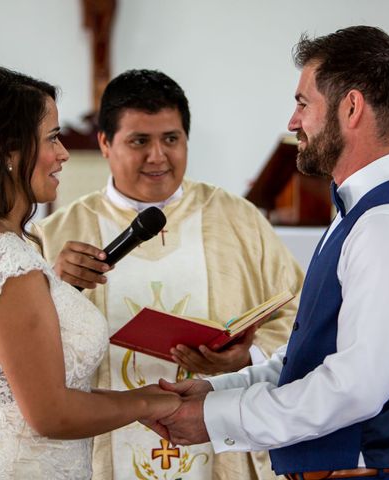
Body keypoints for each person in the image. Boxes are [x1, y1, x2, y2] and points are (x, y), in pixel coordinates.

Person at [154, 25, 389, 480]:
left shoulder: (388, 225)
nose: (293, 123)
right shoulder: (358, 211)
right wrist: (215, 390)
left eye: (302, 103)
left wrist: (217, 419)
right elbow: (306, 358)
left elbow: (356, 388)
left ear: (351, 107)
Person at [0, 65, 180, 480]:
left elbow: (7, 392)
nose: (64, 153)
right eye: (52, 137)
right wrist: (152, 404)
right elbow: (49, 413)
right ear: (9, 152)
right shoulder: (8, 262)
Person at [31, 69, 304, 479]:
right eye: (140, 141)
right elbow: (22, 343)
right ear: (105, 143)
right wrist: (54, 283)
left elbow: (302, 314)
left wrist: (246, 357)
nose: (158, 156)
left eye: (171, 139)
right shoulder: (56, 236)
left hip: (217, 439)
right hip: (102, 449)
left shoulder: (237, 220)